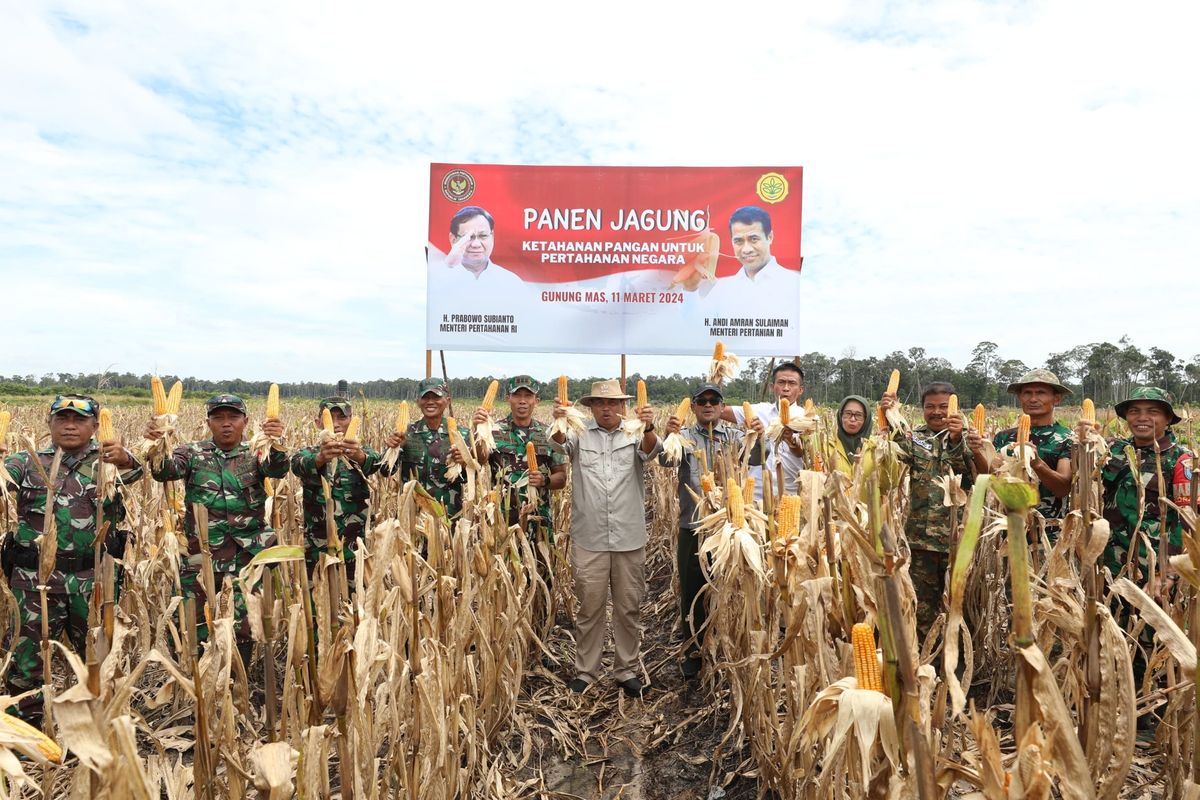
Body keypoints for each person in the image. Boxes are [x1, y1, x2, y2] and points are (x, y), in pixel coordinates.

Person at [1, 395, 142, 722]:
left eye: (79, 420)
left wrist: (127, 458)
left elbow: (142, 472)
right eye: (62, 419)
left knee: (97, 660)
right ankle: (29, 729)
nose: (70, 426)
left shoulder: (108, 463)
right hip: (35, 583)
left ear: (94, 426)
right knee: (27, 662)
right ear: (49, 423)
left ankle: (96, 727)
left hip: (91, 581)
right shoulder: (26, 461)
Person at [146, 394, 288, 662]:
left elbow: (278, 469)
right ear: (208, 422)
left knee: (244, 625)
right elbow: (164, 471)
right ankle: (197, 681)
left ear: (245, 421)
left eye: (233, 417)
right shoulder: (191, 453)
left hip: (246, 558)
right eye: (218, 418)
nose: (226, 424)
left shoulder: (257, 452)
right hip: (203, 557)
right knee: (195, 623)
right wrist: (157, 442)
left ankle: (238, 679)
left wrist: (276, 443)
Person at [551, 379, 660, 697]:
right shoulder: (579, 432)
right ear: (591, 407)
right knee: (590, 607)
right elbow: (559, 444)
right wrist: (559, 418)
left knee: (628, 607)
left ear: (623, 406)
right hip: (590, 537)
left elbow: (652, 452)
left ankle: (626, 669)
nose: (607, 408)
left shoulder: (635, 431)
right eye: (600, 403)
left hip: (629, 536)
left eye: (613, 403)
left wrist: (650, 425)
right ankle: (587, 671)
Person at [880, 381, 974, 643]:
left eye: (944, 406)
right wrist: (888, 413)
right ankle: (924, 661)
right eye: (930, 407)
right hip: (920, 540)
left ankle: (958, 664)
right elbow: (893, 447)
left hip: (959, 541)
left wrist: (956, 440)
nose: (937, 412)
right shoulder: (916, 438)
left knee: (958, 607)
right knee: (922, 608)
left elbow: (973, 472)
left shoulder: (970, 438)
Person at [661, 382, 743, 678]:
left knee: (729, 590)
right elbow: (663, 460)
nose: (708, 405)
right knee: (692, 592)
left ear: (722, 407)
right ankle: (693, 652)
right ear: (694, 407)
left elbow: (761, 455)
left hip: (728, 529)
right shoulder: (682, 438)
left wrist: (760, 432)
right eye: (702, 401)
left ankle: (727, 647)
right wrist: (667, 435)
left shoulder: (735, 437)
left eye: (714, 400)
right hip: (693, 527)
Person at [291, 396, 401, 583]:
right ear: (318, 423)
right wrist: (321, 458)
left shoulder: (361, 452)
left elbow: (383, 467)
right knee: (318, 600)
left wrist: (361, 455)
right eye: (329, 418)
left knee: (355, 598)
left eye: (342, 418)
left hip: (353, 544)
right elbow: (297, 465)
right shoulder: (308, 453)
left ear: (351, 421)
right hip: (318, 545)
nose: (336, 424)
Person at [1098, 387, 1193, 592]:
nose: (1142, 418)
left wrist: (1168, 573)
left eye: (1153, 411)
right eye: (1134, 411)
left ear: (1168, 419)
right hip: (1111, 564)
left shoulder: (1181, 460)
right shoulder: (1114, 450)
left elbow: (1190, 522)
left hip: (1154, 569)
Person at [969, 369, 1073, 528]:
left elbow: (1062, 488)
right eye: (1027, 393)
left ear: (1056, 399)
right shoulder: (1004, 437)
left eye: (1041, 393)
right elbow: (989, 478)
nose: (1033, 399)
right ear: (1020, 397)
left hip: (1048, 531)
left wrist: (1037, 464)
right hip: (1005, 528)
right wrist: (978, 451)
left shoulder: (1068, 438)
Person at [472, 376, 567, 538]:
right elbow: (481, 459)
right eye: (517, 395)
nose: (522, 401)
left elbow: (562, 477)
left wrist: (545, 481)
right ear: (508, 399)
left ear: (536, 400)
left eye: (528, 396)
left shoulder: (549, 434)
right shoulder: (494, 431)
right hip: (502, 519)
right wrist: (478, 429)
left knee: (539, 563)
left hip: (538, 519)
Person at [721, 360, 806, 501]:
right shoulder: (758, 411)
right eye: (781, 382)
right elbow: (720, 411)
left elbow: (806, 454)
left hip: (791, 496)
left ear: (800, 390)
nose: (786, 388)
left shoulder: (807, 418)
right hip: (756, 496)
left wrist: (791, 440)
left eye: (792, 383)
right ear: (772, 387)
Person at [401, 377, 469, 519]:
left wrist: (464, 462)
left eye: (436, 397)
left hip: (449, 515)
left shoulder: (462, 435)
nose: (430, 402)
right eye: (425, 397)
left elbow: (473, 478)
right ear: (418, 401)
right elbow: (385, 470)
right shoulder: (405, 434)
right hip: (413, 515)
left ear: (447, 400)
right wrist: (393, 449)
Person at [831, 395, 874, 475]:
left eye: (858, 415)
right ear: (840, 415)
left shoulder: (876, 447)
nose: (852, 419)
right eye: (848, 413)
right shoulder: (827, 446)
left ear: (866, 419)